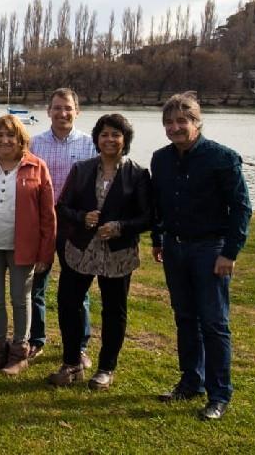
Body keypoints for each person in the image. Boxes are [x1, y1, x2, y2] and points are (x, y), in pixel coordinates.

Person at [151, 92, 251, 421]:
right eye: (169, 122)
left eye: (182, 121)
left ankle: (219, 394)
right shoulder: (161, 159)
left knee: (214, 323)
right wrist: (157, 238)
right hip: (175, 248)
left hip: (210, 250)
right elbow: (159, 204)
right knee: (185, 318)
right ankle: (191, 381)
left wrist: (230, 252)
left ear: (197, 122)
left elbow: (241, 209)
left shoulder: (223, 158)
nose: (175, 127)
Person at [48, 114, 151, 390]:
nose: (109, 140)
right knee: (69, 304)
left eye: (116, 134)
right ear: (97, 138)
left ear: (125, 139)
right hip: (81, 250)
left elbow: (148, 217)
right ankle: (71, 363)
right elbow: (62, 207)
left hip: (117, 255)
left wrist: (120, 227)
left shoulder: (138, 174)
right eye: (104, 134)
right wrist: (82, 217)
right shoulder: (81, 169)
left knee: (113, 310)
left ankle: (106, 368)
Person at [0, 114, 56, 376]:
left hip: (24, 248)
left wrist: (45, 252)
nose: (5, 140)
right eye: (0, 135)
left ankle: (18, 353)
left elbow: (48, 215)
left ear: (21, 139)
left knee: (20, 299)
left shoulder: (37, 167)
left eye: (10, 135)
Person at [29, 88, 95, 365]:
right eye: (57, 107)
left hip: (75, 225)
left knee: (78, 287)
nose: (62, 113)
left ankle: (80, 345)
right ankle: (35, 339)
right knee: (35, 284)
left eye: (68, 108)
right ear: (48, 111)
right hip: (41, 223)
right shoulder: (34, 144)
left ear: (77, 111)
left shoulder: (90, 145)